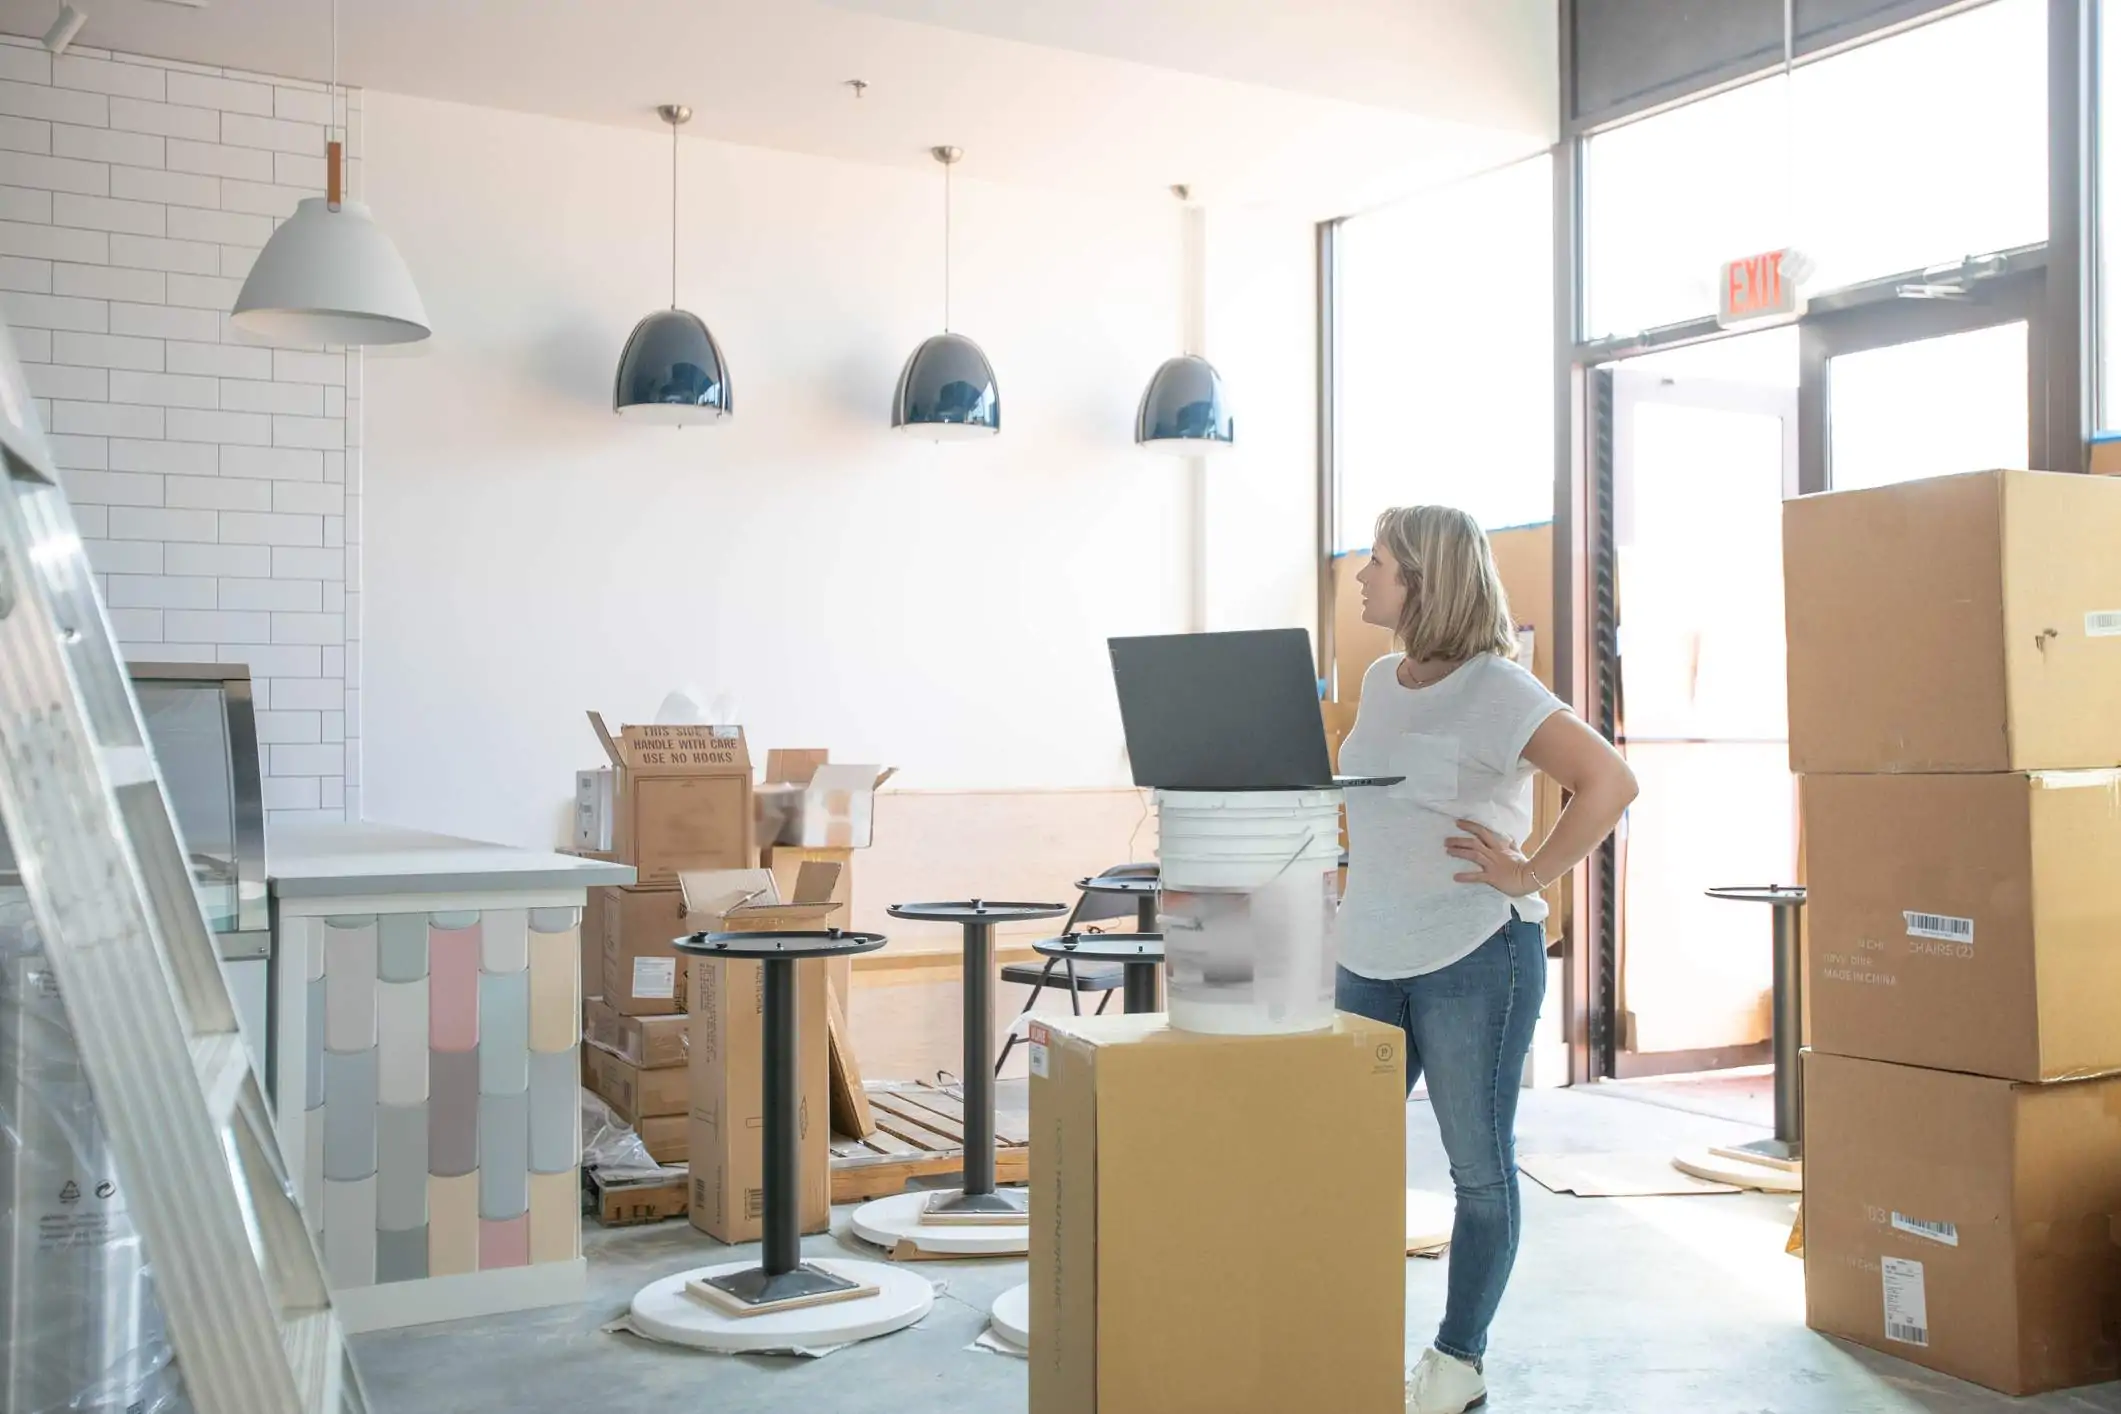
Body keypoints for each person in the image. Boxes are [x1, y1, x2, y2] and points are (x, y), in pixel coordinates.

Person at [1338, 505, 1638, 1414]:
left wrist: (1530, 871)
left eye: (1378, 563)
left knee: (1476, 1166)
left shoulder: (1498, 689)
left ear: (1423, 580)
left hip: (1474, 953)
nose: (1361, 576)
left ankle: (1456, 1363)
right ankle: (1338, 1334)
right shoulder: (1383, 679)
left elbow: (1609, 782)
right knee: (1340, 1160)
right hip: (1368, 951)